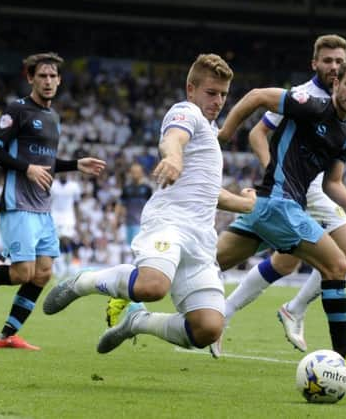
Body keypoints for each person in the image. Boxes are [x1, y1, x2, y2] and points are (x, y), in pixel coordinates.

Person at [42, 54, 256, 355]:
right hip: (169, 223)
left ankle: (137, 322)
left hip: (201, 239)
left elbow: (208, 191)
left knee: (208, 328)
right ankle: (83, 281)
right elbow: (172, 140)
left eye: (223, 94)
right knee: (151, 286)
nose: (218, 100)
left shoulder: (209, 131)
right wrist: (173, 157)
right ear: (191, 89)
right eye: (211, 92)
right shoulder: (186, 112)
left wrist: (245, 205)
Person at [215, 53, 346, 370]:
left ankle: (135, 302)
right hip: (280, 203)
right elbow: (256, 96)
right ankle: (344, 350)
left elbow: (332, 184)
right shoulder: (309, 103)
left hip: (270, 205)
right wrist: (226, 133)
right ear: (336, 82)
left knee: (210, 261)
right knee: (337, 264)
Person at [0, 52, 106, 350]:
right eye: (42, 76)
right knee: (21, 273)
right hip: (17, 204)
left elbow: (45, 162)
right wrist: (26, 168)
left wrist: (76, 164)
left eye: (53, 76)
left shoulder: (54, 118)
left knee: (43, 273)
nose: (48, 81)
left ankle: (7, 335)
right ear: (30, 78)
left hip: (42, 208)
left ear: (60, 80)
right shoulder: (18, 110)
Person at [106, 162, 152, 327]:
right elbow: (120, 204)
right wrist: (116, 219)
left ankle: (132, 296)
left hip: (144, 225)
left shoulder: (147, 189)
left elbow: (153, 205)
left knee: (139, 257)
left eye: (137, 171)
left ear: (141, 172)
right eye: (132, 171)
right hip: (130, 225)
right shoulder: (127, 189)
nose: (134, 174)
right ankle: (133, 297)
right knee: (135, 257)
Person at [50, 173, 82, 279]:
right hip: (54, 215)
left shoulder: (74, 186)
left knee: (66, 239)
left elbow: (76, 204)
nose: (64, 174)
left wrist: (78, 221)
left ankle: (68, 266)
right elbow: (47, 202)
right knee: (56, 243)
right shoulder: (52, 185)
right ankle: (61, 267)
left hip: (69, 216)